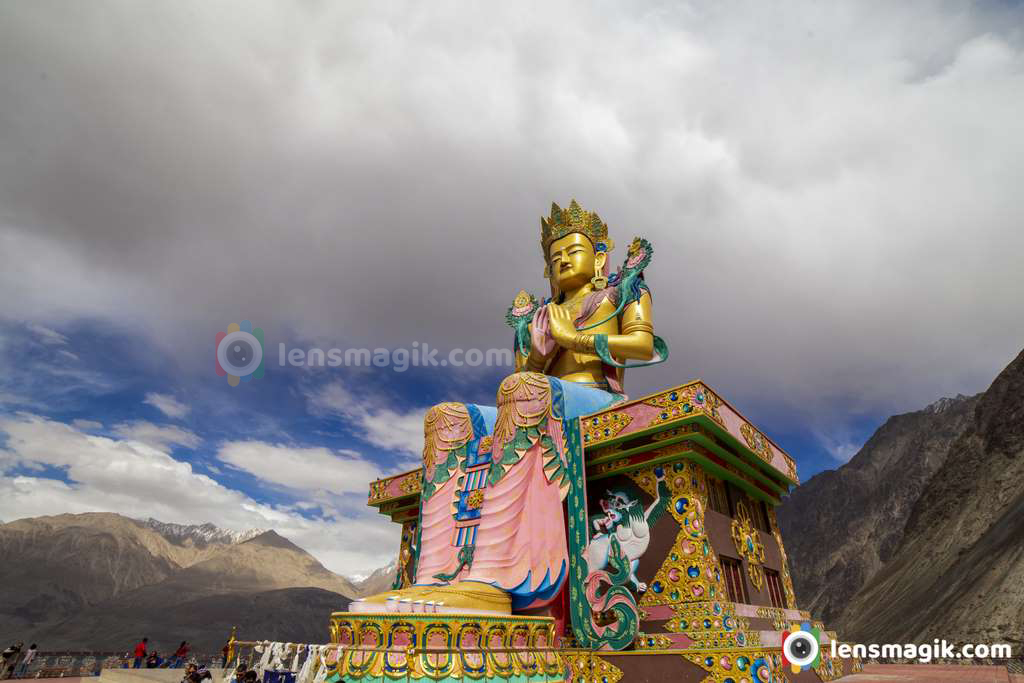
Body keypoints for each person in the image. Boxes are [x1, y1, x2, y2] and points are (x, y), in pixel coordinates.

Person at [351, 200, 664, 618]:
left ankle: (494, 576)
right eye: (554, 259)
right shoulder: (540, 315)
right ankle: (434, 575)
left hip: (596, 396)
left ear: (600, 257)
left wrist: (575, 340)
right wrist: (538, 354)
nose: (563, 262)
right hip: (540, 396)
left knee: (524, 390)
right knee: (446, 417)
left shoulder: (622, 291)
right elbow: (524, 375)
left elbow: (644, 347)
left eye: (573, 251)